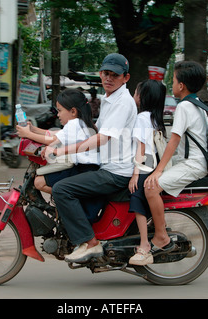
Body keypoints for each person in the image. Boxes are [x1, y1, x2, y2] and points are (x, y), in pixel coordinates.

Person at [42, 53, 137, 263]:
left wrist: (61, 151)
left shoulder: (122, 103)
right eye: (105, 73)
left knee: (62, 189)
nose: (108, 78)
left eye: (115, 75)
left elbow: (101, 139)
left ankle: (89, 242)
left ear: (126, 78)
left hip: (116, 173)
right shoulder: (109, 99)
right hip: (107, 167)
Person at [143, 61, 208, 264]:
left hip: (193, 165)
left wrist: (159, 170)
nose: (171, 84)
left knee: (150, 187)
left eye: (173, 80)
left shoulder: (185, 107)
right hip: (192, 162)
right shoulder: (199, 105)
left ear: (181, 85)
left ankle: (161, 236)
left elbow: (174, 140)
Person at [16, 89, 99, 194]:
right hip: (85, 169)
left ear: (73, 111)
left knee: (39, 182)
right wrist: (33, 129)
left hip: (81, 170)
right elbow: (55, 134)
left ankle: (64, 201)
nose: (58, 115)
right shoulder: (80, 123)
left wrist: (27, 134)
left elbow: (53, 140)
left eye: (60, 110)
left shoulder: (74, 124)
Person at [127, 79, 166, 266]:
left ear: (142, 97)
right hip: (153, 165)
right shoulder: (155, 117)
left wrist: (136, 173)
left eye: (136, 92)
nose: (134, 95)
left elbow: (141, 149)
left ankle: (144, 244)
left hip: (145, 166)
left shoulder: (142, 117)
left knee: (136, 195)